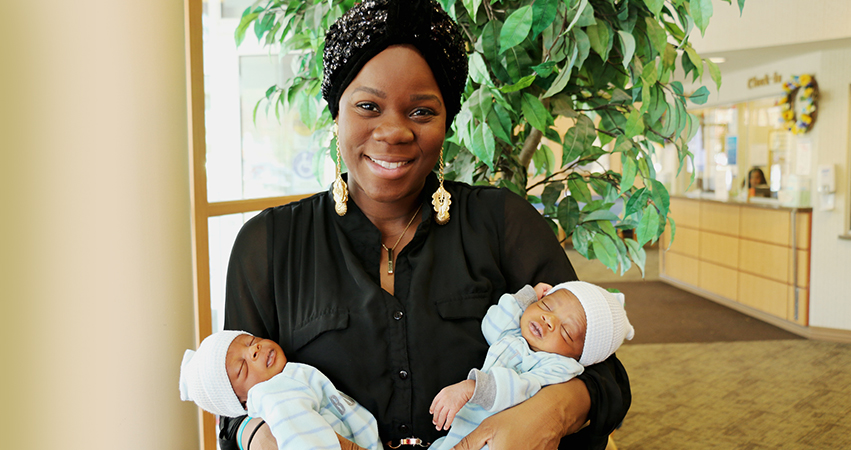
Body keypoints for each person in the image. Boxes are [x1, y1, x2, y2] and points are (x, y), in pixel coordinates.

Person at [219, 1, 631, 449]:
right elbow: (232, 407)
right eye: (368, 106)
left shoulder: (502, 223)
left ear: (447, 123)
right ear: (335, 114)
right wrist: (261, 436)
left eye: (421, 112)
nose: (394, 131)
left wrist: (550, 414)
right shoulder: (268, 245)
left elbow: (604, 374)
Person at [429, 282, 634, 450]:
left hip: (501, 441)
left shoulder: (559, 367)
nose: (549, 319)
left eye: (566, 332)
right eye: (546, 305)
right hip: (462, 430)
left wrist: (474, 388)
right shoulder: (514, 335)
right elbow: (492, 323)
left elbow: (522, 387)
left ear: (581, 356)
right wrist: (527, 297)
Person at [179, 330, 382, 450]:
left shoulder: (285, 380)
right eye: (242, 367)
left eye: (251, 341)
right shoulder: (274, 396)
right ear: (245, 403)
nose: (254, 350)